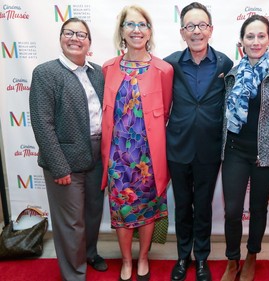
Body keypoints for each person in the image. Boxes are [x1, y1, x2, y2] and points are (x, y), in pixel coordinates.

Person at [220, 15, 269, 281]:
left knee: (258, 209)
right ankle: (232, 260)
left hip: (266, 155)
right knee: (232, 210)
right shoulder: (233, 74)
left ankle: (252, 255)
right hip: (235, 151)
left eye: (261, 36)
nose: (255, 42)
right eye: (250, 37)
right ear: (241, 41)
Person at [29, 17, 107, 281]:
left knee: (93, 213)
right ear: (61, 38)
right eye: (69, 33)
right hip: (64, 160)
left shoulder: (97, 73)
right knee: (71, 223)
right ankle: (74, 274)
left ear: (89, 43)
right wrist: (58, 166)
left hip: (97, 156)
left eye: (81, 34)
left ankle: (90, 253)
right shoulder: (46, 73)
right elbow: (42, 123)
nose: (75, 38)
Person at [100, 5, 174, 281]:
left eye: (142, 25)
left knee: (148, 208)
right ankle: (126, 261)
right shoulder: (108, 68)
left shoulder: (163, 69)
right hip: (117, 158)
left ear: (149, 31)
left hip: (149, 158)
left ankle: (143, 257)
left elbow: (166, 111)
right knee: (121, 210)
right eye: (130, 25)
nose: (136, 30)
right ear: (121, 31)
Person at [164, 2, 233, 281]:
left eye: (202, 25)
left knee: (203, 205)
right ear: (182, 32)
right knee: (182, 205)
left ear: (211, 30)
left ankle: (202, 258)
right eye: (190, 26)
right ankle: (183, 256)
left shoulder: (224, 63)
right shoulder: (169, 64)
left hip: (209, 148)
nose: (196, 31)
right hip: (177, 147)